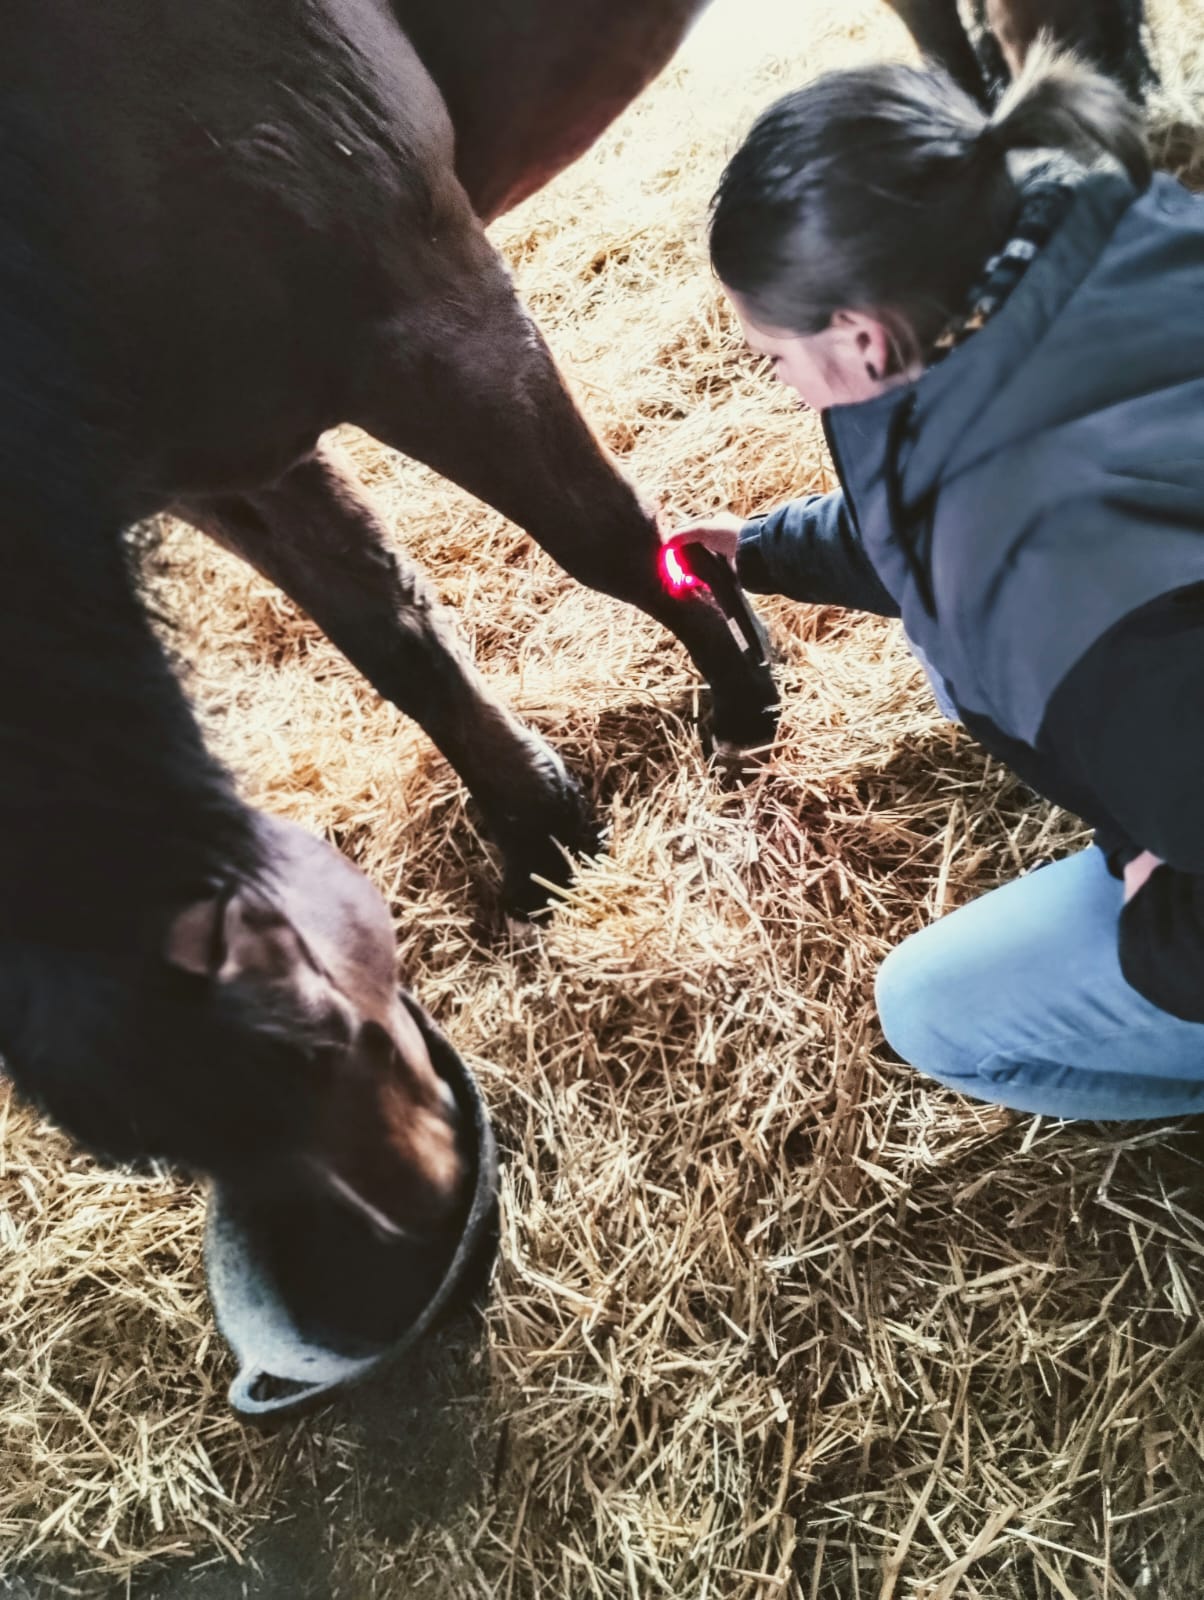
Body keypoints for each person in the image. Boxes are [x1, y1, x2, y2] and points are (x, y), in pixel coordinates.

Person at [666, 44, 1204, 1120]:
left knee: (930, 1010)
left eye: (772, 357)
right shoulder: (1102, 238)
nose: (777, 382)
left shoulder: (1077, 615)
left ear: (859, 339)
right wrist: (764, 548)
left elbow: (987, 538)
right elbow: (933, 509)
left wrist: (1168, 925)